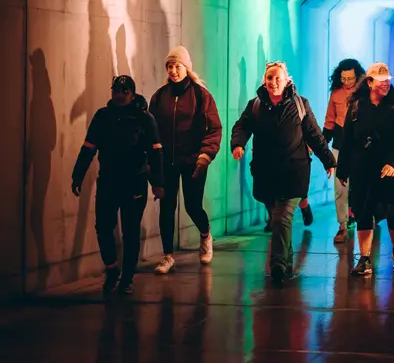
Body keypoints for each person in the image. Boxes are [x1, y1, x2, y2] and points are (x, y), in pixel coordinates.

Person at [231, 61, 336, 285]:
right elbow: (242, 126)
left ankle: (277, 266)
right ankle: (287, 264)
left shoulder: (300, 104)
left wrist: (328, 159)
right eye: (270, 78)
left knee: (282, 218)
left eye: (278, 78)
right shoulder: (256, 105)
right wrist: (237, 144)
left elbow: (314, 135)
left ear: (287, 80)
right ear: (264, 81)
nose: (273, 82)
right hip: (266, 173)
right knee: (278, 219)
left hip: (294, 171)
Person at [71, 75, 165, 294]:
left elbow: (156, 152)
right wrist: (78, 176)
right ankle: (112, 267)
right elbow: (88, 147)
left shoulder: (144, 118)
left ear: (132, 94)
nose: (120, 95)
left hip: (135, 182)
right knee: (103, 226)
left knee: (131, 231)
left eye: (124, 91)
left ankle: (127, 279)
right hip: (108, 181)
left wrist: (158, 183)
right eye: (116, 90)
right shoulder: (103, 117)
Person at [337, 63, 394, 276]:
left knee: (393, 212)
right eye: (381, 81)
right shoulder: (356, 107)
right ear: (369, 82)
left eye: (388, 80)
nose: (386, 84)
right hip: (363, 168)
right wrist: (342, 170)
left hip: (390, 168)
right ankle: (364, 259)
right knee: (363, 213)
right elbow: (347, 141)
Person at [149, 46, 222, 274]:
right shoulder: (159, 97)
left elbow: (214, 129)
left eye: (177, 66)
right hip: (166, 162)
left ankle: (205, 233)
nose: (173, 71)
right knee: (167, 207)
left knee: (192, 206)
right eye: (169, 66)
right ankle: (167, 256)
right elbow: (151, 131)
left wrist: (205, 155)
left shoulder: (201, 95)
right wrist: (153, 163)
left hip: (193, 161)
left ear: (186, 68)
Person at [323, 58, 366, 243]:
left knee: (360, 187)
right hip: (340, 145)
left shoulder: (365, 92)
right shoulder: (336, 93)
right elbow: (329, 121)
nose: (347, 82)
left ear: (357, 77)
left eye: (350, 78)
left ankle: (364, 219)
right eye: (343, 79)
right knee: (340, 189)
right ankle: (342, 225)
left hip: (361, 147)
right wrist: (320, 146)